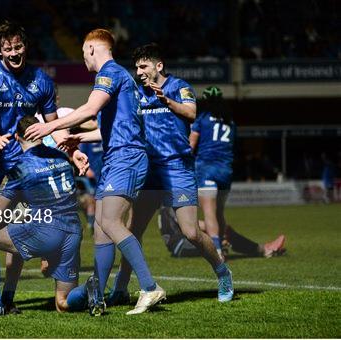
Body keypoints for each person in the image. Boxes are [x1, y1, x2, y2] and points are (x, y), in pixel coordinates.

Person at [26, 29, 165, 316]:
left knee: (111, 222)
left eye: (83, 55)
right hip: (116, 157)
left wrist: (50, 127)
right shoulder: (121, 78)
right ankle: (97, 294)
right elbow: (107, 128)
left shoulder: (109, 73)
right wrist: (79, 139)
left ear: (91, 49)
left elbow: (90, 110)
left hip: (126, 158)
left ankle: (150, 287)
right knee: (101, 231)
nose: (84, 61)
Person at [0, 21, 88, 309]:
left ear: (25, 47)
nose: (14, 52)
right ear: (0, 50)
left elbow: (53, 125)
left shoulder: (41, 81)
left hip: (21, 163)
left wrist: (71, 151)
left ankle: (4, 297)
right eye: (8, 48)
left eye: (18, 47)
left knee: (14, 228)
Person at [105, 44, 233, 305]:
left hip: (178, 168)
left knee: (191, 232)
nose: (139, 72)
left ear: (158, 65)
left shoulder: (179, 86)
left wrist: (166, 100)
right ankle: (120, 287)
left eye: (144, 66)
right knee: (132, 230)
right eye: (137, 67)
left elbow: (191, 113)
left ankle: (223, 273)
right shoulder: (137, 93)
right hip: (150, 171)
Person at [0, 116, 82, 316]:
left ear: (16, 137)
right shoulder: (62, 157)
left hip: (45, 232)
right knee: (63, 304)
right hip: (73, 233)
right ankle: (91, 292)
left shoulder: (20, 167)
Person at [189, 85, 235, 257]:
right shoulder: (230, 121)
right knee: (219, 213)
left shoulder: (202, 118)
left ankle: (216, 249)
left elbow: (191, 145)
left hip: (206, 167)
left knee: (209, 212)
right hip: (225, 169)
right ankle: (222, 244)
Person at [157, 206, 286, 258]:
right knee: (221, 237)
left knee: (221, 235)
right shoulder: (172, 204)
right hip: (181, 246)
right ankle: (263, 250)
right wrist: (217, 230)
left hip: (180, 246)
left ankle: (262, 249)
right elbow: (191, 225)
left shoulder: (165, 206)